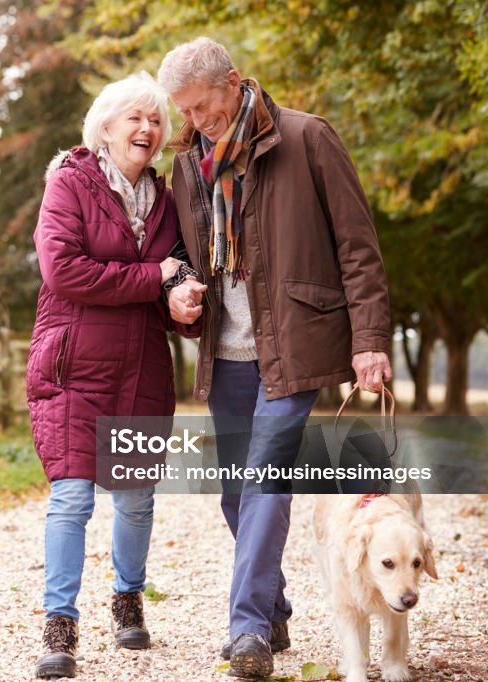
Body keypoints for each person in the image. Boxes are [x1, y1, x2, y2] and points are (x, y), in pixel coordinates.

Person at [156, 37, 393, 679]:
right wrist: (176, 284)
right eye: (187, 112)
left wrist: (369, 340)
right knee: (235, 494)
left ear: (233, 82)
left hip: (293, 342)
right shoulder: (189, 162)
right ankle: (273, 603)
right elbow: (178, 247)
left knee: (265, 477)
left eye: (204, 107)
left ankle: (248, 631)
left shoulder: (308, 138)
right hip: (224, 349)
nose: (197, 122)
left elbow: (358, 248)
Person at [26, 71, 203, 679]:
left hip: (142, 368)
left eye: (155, 121)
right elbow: (65, 271)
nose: (148, 129)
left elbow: (175, 274)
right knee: (72, 497)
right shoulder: (69, 185)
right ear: (105, 125)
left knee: (134, 498)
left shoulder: (167, 201)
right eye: (135, 117)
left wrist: (180, 303)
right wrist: (154, 279)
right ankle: (60, 624)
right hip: (75, 365)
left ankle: (128, 603)